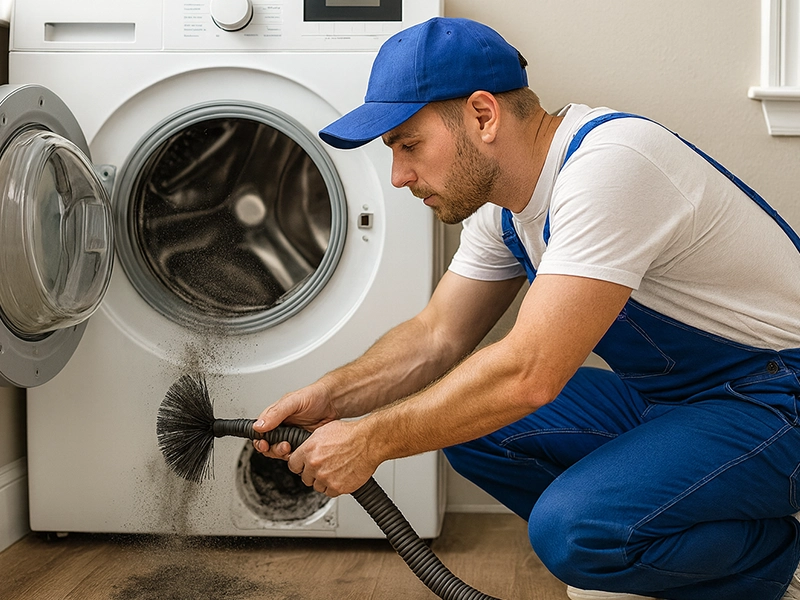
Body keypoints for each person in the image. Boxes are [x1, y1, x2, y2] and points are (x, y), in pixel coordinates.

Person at [252, 16, 800, 600]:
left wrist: (370, 440)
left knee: (575, 532)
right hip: (679, 401)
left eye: (409, 145)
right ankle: (662, 537)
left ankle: (774, 564)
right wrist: (330, 398)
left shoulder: (612, 166)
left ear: (483, 115)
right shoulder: (504, 208)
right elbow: (436, 336)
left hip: (776, 400)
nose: (399, 176)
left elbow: (529, 372)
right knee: (468, 425)